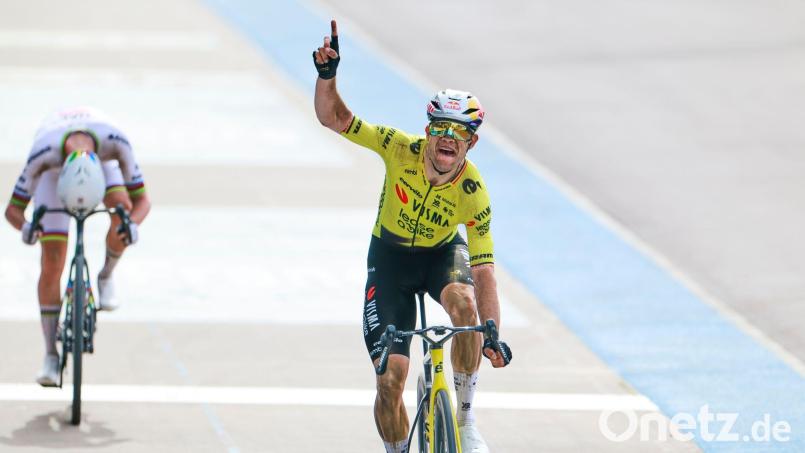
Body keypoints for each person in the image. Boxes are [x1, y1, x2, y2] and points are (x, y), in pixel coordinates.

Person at [312, 20, 512, 453]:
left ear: (471, 144)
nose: (448, 138)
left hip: (441, 256)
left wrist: (492, 331)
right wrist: (327, 76)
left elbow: (485, 272)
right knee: (390, 382)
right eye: (440, 128)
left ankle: (465, 420)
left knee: (467, 307)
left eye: (459, 132)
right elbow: (335, 118)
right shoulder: (398, 148)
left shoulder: (473, 191)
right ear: (427, 131)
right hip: (391, 262)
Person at [4, 106, 151, 387]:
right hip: (53, 174)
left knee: (121, 210)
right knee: (52, 261)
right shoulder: (43, 153)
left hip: (102, 165)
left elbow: (143, 201)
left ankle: (106, 274)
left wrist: (131, 224)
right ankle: (50, 354)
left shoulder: (116, 142)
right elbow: (13, 209)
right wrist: (26, 227)